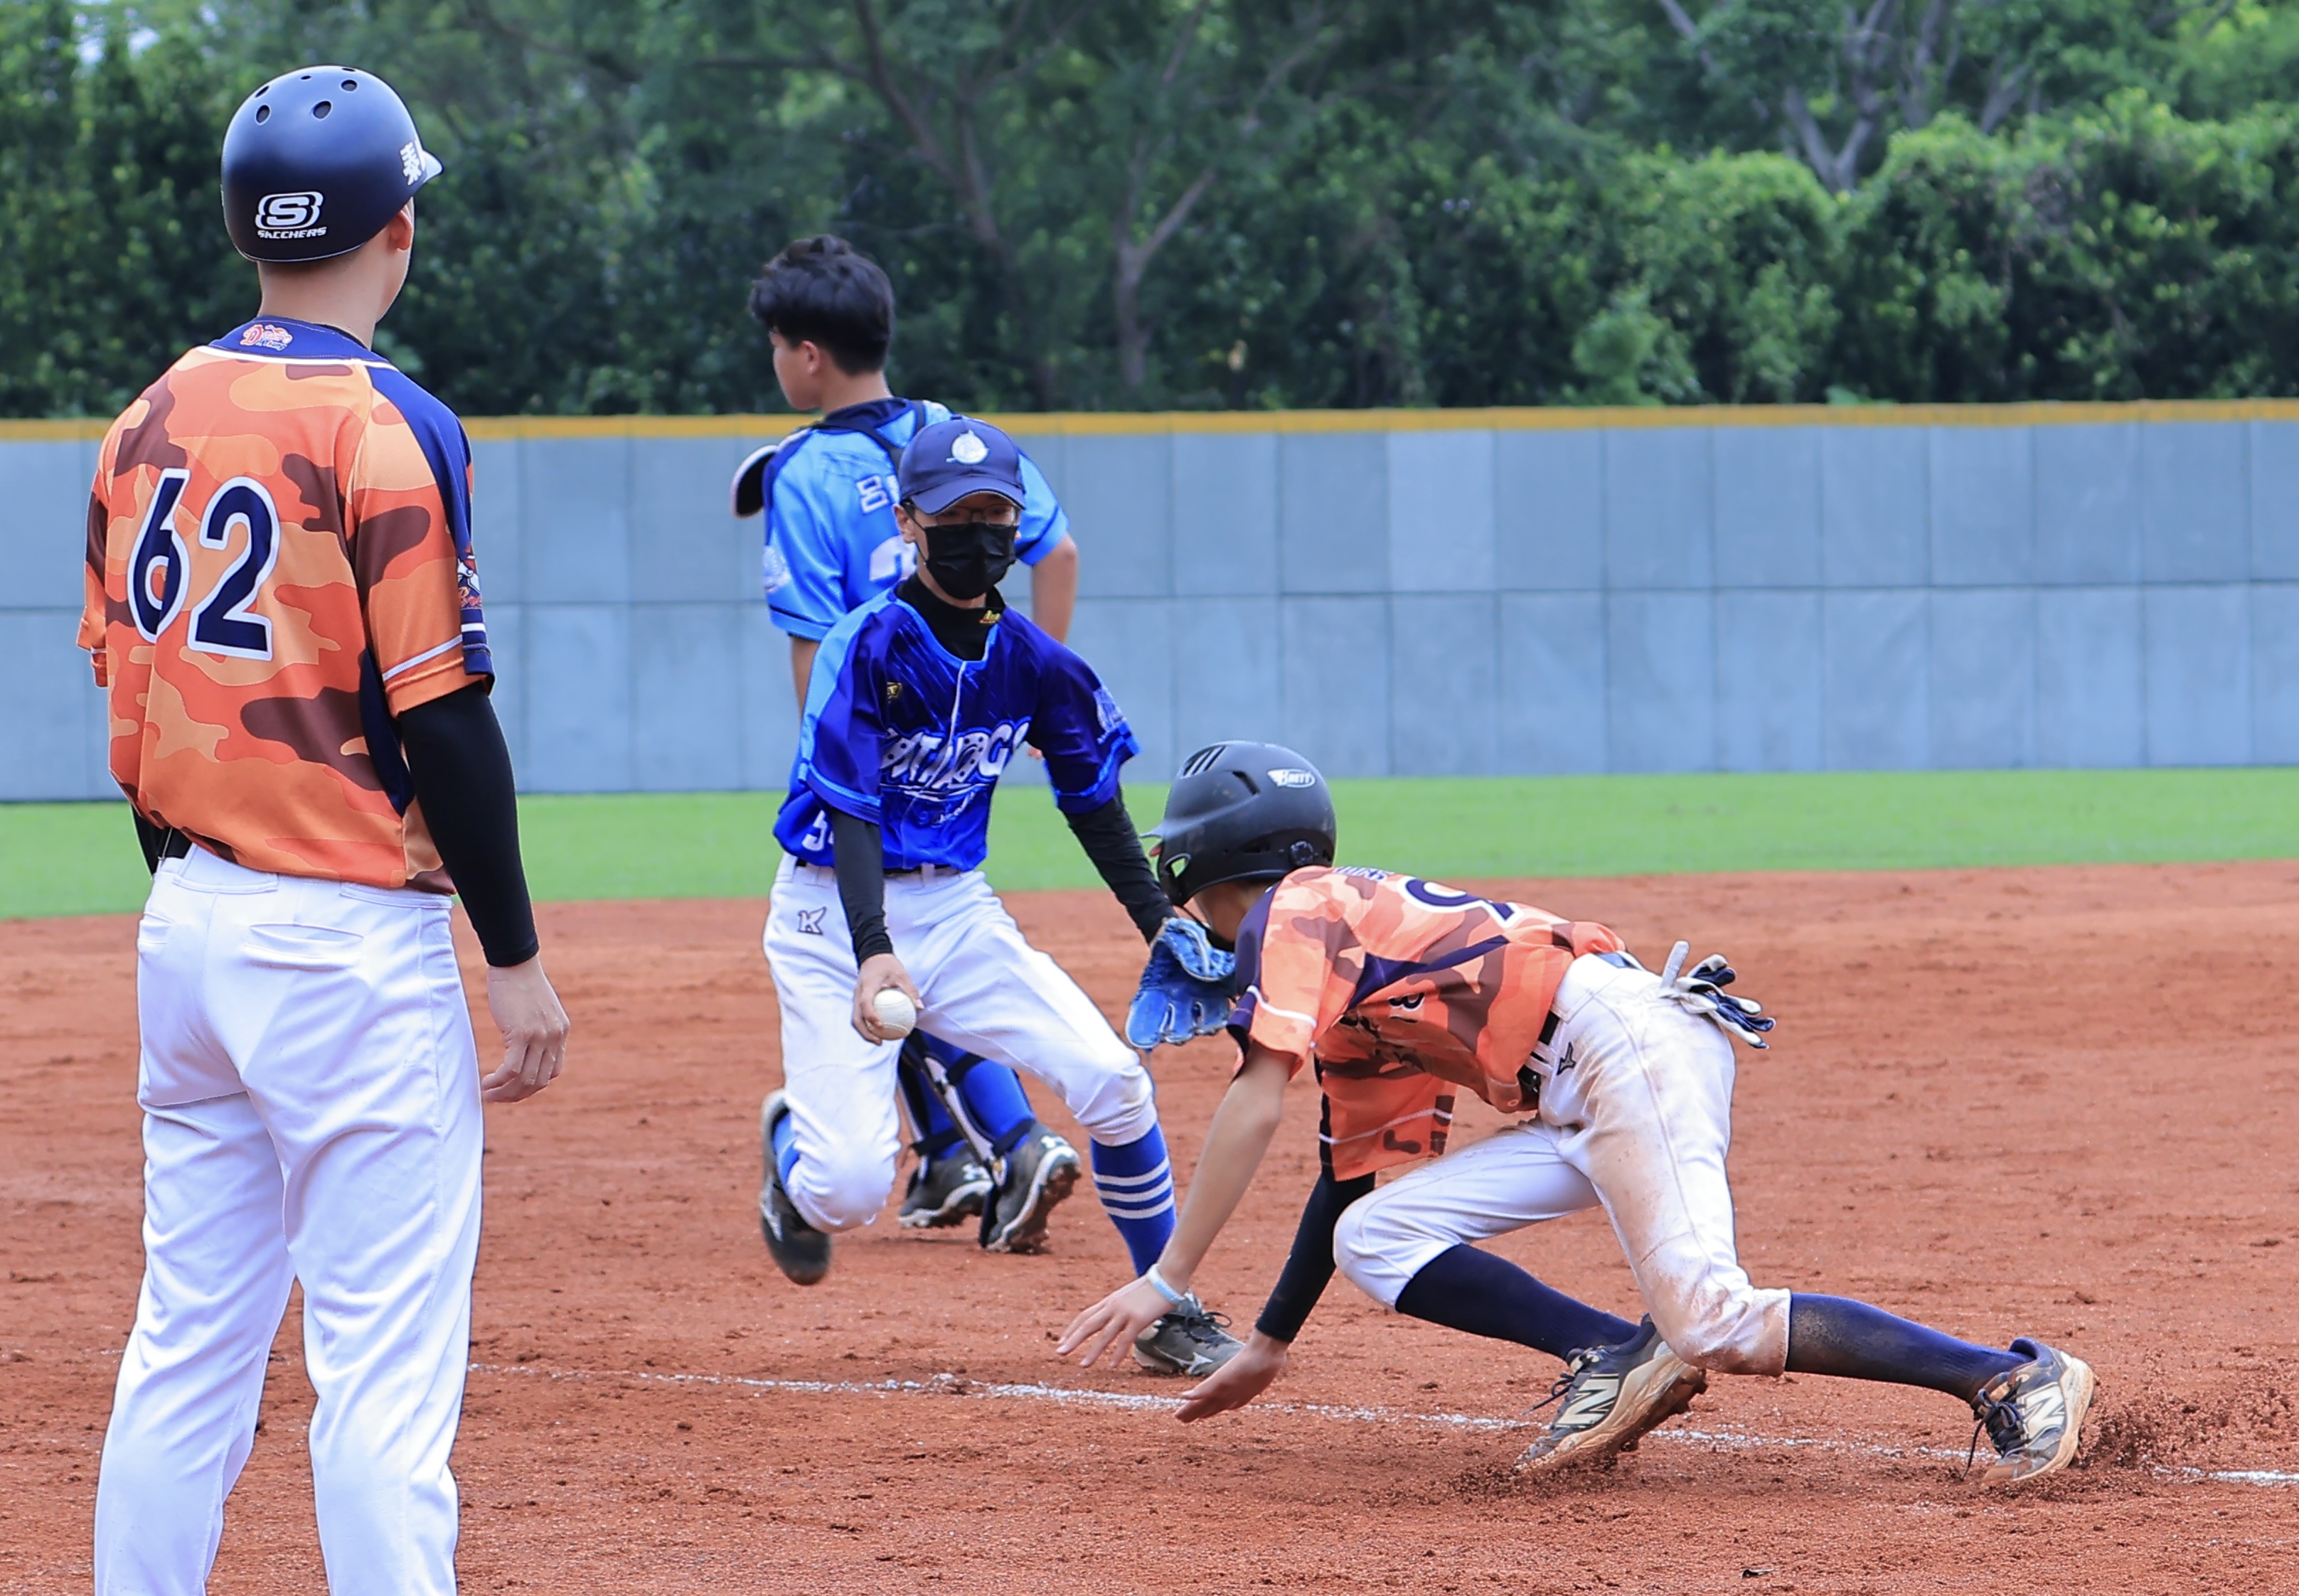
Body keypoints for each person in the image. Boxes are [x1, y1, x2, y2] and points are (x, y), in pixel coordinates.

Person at [1059, 741, 2096, 1484]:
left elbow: (1255, 1090)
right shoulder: (1353, 982)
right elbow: (1343, 1180)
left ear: (1198, 865)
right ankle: (1617, 1352)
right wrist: (1273, 1341)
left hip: (1624, 1045)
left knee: (1715, 1321)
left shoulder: (1303, 907)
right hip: (1576, 1085)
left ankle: (2009, 1381)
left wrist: (1170, 1275)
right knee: (1377, 1228)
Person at [78, 67, 570, 1594]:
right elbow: (442, 711)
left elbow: (125, 683)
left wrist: (193, 879)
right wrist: (516, 957)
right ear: (399, 232)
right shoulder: (388, 422)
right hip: (346, 948)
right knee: (382, 1378)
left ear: (248, 233)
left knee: (187, 1345)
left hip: (188, 927)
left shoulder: (147, 413)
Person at [755, 412, 1238, 1377]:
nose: (978, 535)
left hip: (956, 906)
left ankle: (1166, 1304)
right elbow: (851, 807)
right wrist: (869, 945)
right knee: (850, 1189)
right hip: (829, 913)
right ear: (906, 520)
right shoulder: (867, 646)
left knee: (1113, 1080)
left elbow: (1094, 802)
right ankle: (788, 1153)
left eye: (997, 514)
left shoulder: (1035, 661)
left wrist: (1161, 926)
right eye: (954, 515)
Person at [735, 235, 1081, 1247]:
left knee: (886, 937)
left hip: (874, 755)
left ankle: (982, 1146)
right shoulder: (955, 436)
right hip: (963, 740)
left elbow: (816, 650)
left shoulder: (804, 471)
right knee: (916, 935)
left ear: (804, 356)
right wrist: (1029, 684)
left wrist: (829, 762)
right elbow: (1058, 550)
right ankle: (965, 1152)